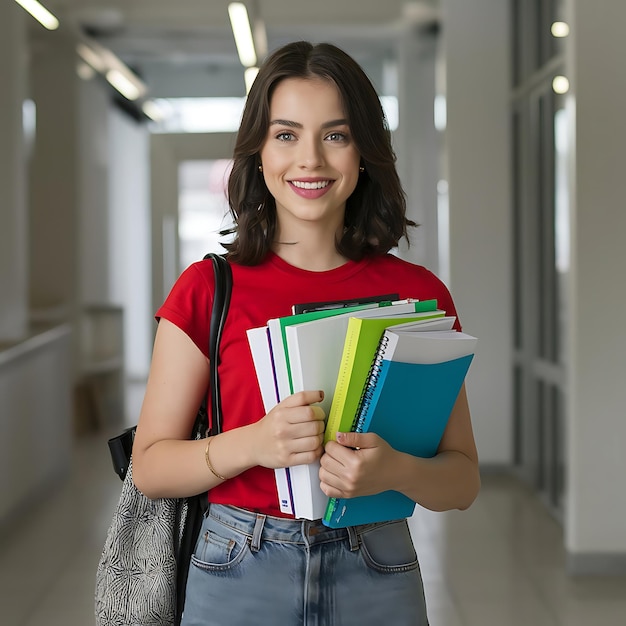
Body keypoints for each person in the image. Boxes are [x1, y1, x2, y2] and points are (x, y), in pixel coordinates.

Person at [132, 40, 480, 626]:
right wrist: (255, 444)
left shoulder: (418, 296)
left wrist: (394, 470)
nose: (311, 160)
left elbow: (463, 479)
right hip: (237, 566)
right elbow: (151, 466)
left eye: (336, 135)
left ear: (364, 152)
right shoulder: (207, 290)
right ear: (259, 153)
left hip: (377, 564)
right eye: (286, 134)